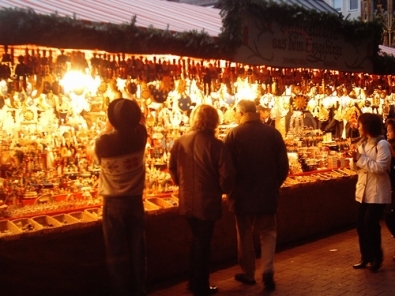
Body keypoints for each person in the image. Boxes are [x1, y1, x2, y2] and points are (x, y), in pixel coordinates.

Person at [169, 104, 235, 296]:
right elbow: (228, 175)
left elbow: (172, 169)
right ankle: (200, 285)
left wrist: (182, 184)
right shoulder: (216, 145)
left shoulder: (180, 142)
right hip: (207, 202)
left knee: (196, 241)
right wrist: (221, 189)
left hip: (187, 200)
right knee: (202, 244)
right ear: (215, 121)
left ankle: (193, 282)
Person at [224, 100, 289, 291]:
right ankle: (267, 270)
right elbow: (283, 166)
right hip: (267, 194)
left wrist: (231, 190)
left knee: (244, 234)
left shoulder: (234, 134)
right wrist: (274, 184)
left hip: (242, 195)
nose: (236, 115)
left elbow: (227, 168)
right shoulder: (273, 133)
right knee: (268, 233)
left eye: (237, 112)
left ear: (242, 112)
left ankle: (249, 273)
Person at [93, 98, 148, 296]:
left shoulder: (103, 142)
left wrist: (110, 124)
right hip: (135, 200)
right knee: (137, 249)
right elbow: (141, 121)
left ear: (112, 120)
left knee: (115, 252)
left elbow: (96, 155)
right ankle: (139, 289)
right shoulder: (141, 135)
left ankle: (121, 291)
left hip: (113, 202)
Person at [351, 113, 392, 272]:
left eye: (360, 124)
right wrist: (354, 160)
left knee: (370, 223)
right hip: (363, 190)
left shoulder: (382, 144)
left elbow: (381, 167)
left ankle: (377, 256)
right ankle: (365, 256)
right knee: (361, 225)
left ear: (367, 126)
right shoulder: (361, 144)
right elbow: (358, 167)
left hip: (377, 191)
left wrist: (360, 159)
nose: (358, 127)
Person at [384, 118, 395, 258]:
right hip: (391, 187)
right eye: (387, 130)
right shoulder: (388, 146)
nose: (388, 133)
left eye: (390, 130)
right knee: (389, 216)